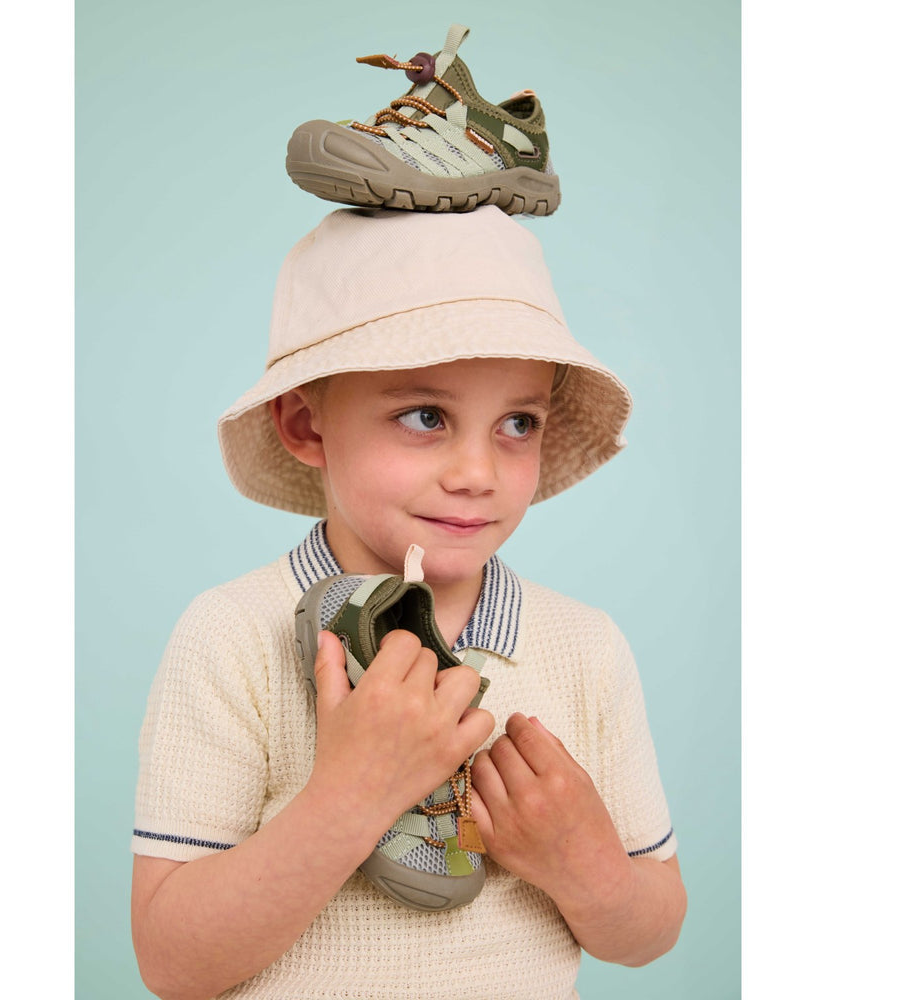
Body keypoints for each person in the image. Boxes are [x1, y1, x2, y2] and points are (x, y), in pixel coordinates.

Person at [130, 206, 687, 1000]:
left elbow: (652, 932)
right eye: (425, 417)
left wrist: (589, 870)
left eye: (518, 423)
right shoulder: (232, 636)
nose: (477, 474)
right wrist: (351, 796)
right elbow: (171, 964)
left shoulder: (586, 648)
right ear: (306, 424)